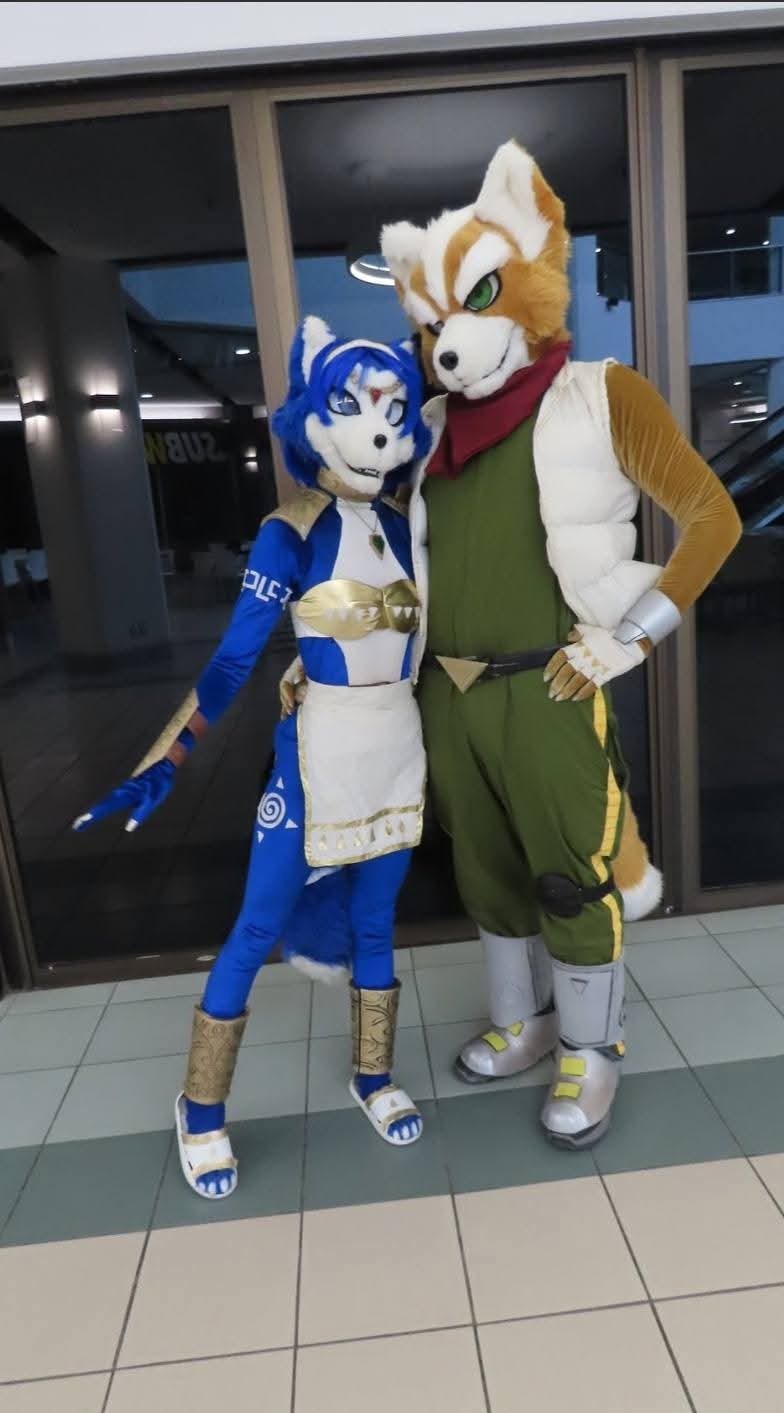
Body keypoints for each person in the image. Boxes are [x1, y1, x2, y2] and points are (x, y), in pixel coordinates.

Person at [380, 140, 741, 1147]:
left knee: (570, 870)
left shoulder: (599, 392)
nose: (450, 339)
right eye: (433, 321)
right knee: (484, 869)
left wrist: (632, 637)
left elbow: (713, 519)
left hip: (549, 685)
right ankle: (524, 1019)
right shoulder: (431, 433)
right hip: (447, 693)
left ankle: (590, 1046)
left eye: (476, 298)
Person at [74, 317, 432, 1197]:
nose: (375, 430)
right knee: (256, 926)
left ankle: (374, 1075)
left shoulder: (405, 523)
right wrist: (167, 756)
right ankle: (200, 1107)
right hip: (317, 757)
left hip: (395, 748)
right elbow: (235, 659)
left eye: (392, 411)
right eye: (353, 407)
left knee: (377, 922)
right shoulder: (288, 531)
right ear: (314, 416)